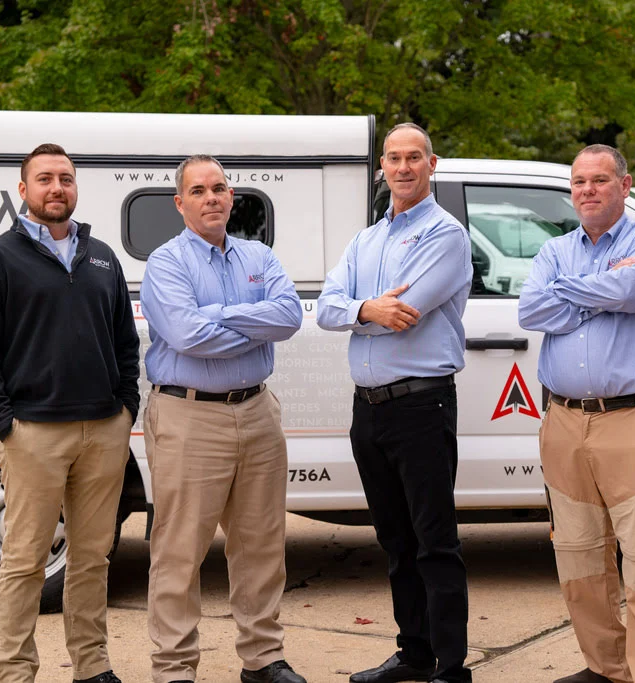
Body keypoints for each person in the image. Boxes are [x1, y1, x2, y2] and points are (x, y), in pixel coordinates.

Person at [0, 143, 140, 683]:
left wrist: (126, 407)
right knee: (23, 561)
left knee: (92, 559)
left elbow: (124, 341)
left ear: (75, 187)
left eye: (65, 178)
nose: (56, 188)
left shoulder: (102, 256)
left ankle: (92, 665)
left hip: (103, 431)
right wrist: (3, 422)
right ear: (24, 190)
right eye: (44, 179)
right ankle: (14, 672)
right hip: (32, 433)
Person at [317, 122, 473, 683]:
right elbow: (326, 308)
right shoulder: (366, 240)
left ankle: (451, 667)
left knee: (435, 542)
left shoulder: (446, 236)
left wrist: (361, 313)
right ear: (381, 167)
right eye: (394, 158)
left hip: (421, 407)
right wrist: (365, 310)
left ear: (433, 165)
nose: (403, 167)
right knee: (396, 542)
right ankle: (414, 654)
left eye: (414, 158)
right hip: (370, 411)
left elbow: (407, 314)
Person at [141, 154, 305, 683]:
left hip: (257, 411)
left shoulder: (258, 255)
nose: (211, 197)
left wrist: (218, 316)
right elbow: (187, 335)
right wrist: (250, 322)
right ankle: (173, 668)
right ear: (180, 202)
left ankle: (262, 658)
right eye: (199, 190)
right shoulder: (165, 263)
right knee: (180, 548)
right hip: (189, 415)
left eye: (219, 188)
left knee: (260, 543)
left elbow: (289, 315)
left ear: (232, 197)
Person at [518, 144, 635, 683]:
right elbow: (531, 308)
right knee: (578, 551)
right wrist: (603, 285)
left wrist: (573, 291)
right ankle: (606, 668)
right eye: (580, 181)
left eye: (600, 180)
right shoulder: (554, 249)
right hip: (562, 420)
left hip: (628, 418)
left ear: (625, 186)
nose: (587, 190)